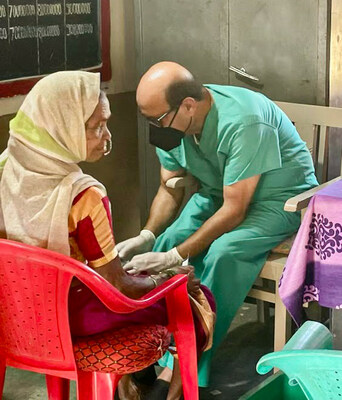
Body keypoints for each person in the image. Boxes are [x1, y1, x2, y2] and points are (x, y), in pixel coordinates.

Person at [0, 71, 215, 400]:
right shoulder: (82, 195)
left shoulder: (4, 170)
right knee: (193, 295)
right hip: (68, 319)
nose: (107, 137)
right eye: (96, 127)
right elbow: (118, 288)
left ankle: (141, 382)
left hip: (13, 315)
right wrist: (168, 280)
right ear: (61, 126)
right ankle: (170, 389)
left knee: (142, 275)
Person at [116, 61, 319, 387]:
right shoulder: (173, 124)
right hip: (217, 193)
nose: (154, 127)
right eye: (148, 120)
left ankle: (186, 366)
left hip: (279, 201)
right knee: (167, 241)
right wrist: (147, 234)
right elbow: (169, 189)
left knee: (224, 252)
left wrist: (174, 258)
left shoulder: (244, 120)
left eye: (157, 119)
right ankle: (149, 350)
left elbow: (235, 210)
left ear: (188, 106)